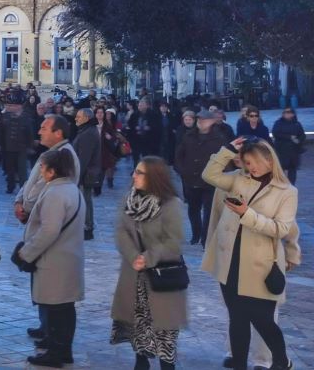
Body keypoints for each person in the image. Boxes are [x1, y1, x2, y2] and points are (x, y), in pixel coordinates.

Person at [201, 137, 297, 370]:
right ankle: (239, 364)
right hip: (231, 259)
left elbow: (281, 229)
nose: (250, 167)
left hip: (260, 264)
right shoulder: (238, 179)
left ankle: (281, 361)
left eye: (253, 161)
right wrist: (228, 150)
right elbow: (209, 175)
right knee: (237, 316)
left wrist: (247, 214)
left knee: (262, 319)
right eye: (246, 161)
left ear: (268, 160)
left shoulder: (287, 191)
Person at [111, 156, 186, 370]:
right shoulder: (130, 199)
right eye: (135, 171)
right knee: (139, 335)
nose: (133, 175)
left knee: (164, 338)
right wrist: (134, 255)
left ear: (154, 176)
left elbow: (174, 242)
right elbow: (121, 232)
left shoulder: (171, 204)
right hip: (134, 278)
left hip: (162, 280)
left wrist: (148, 257)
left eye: (139, 172)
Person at [13, 148, 85, 368]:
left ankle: (55, 352)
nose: (40, 171)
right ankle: (64, 351)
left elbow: (49, 231)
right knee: (65, 308)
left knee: (55, 309)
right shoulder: (72, 189)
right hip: (68, 259)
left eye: (43, 167)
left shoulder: (55, 193)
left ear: (52, 171)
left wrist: (25, 253)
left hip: (54, 261)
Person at [173, 109, 226, 246]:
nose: (201, 122)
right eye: (199, 120)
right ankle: (196, 234)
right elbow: (179, 154)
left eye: (204, 120)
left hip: (210, 181)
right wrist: (182, 170)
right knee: (193, 209)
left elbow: (225, 159)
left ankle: (205, 237)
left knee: (208, 211)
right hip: (191, 179)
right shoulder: (189, 136)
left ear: (212, 122)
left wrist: (220, 176)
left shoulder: (219, 138)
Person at [72, 108, 101, 240]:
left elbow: (83, 158)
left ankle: (87, 227)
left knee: (85, 201)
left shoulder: (88, 133)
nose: (76, 119)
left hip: (86, 174)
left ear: (86, 118)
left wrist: (76, 176)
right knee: (85, 200)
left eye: (78, 116)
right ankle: (85, 226)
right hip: (86, 172)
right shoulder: (87, 130)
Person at [0, 93, 35, 194]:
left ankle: (23, 189)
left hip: (21, 148)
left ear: (18, 106)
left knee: (22, 170)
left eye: (11, 105)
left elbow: (30, 133)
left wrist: (30, 146)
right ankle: (10, 187)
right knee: (10, 169)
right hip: (8, 147)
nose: (8, 107)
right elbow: (0, 131)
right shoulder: (5, 116)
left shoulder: (26, 116)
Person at [270, 108, 305, 183]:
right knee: (281, 170)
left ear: (293, 114)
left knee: (292, 171)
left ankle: (291, 187)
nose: (287, 114)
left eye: (289, 112)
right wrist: (289, 137)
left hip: (293, 151)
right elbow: (275, 133)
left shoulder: (297, 124)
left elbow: (302, 135)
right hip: (282, 150)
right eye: (285, 112)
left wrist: (299, 140)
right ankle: (281, 186)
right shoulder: (278, 123)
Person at [127, 99, 162, 163]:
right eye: (139, 105)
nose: (139, 107)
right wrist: (135, 127)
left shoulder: (153, 114)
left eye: (141, 105)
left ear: (146, 106)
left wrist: (150, 127)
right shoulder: (135, 114)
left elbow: (158, 125)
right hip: (137, 139)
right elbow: (130, 124)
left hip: (149, 140)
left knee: (147, 157)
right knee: (136, 157)